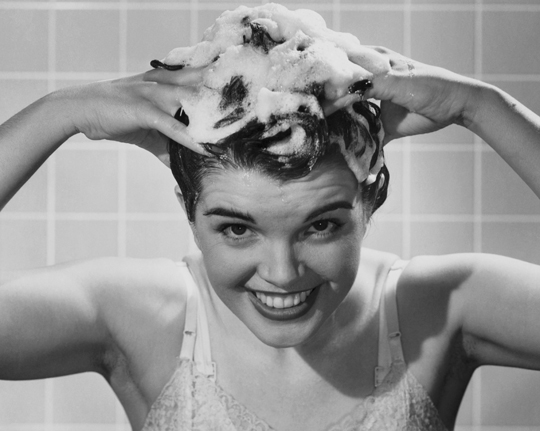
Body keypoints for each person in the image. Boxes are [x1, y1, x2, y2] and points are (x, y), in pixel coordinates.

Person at [1, 7, 540, 431]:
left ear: (369, 198)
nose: (282, 273)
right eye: (237, 228)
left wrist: (480, 106)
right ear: (189, 209)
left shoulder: (441, 312)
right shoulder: (143, 320)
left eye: (321, 225)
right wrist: (63, 111)